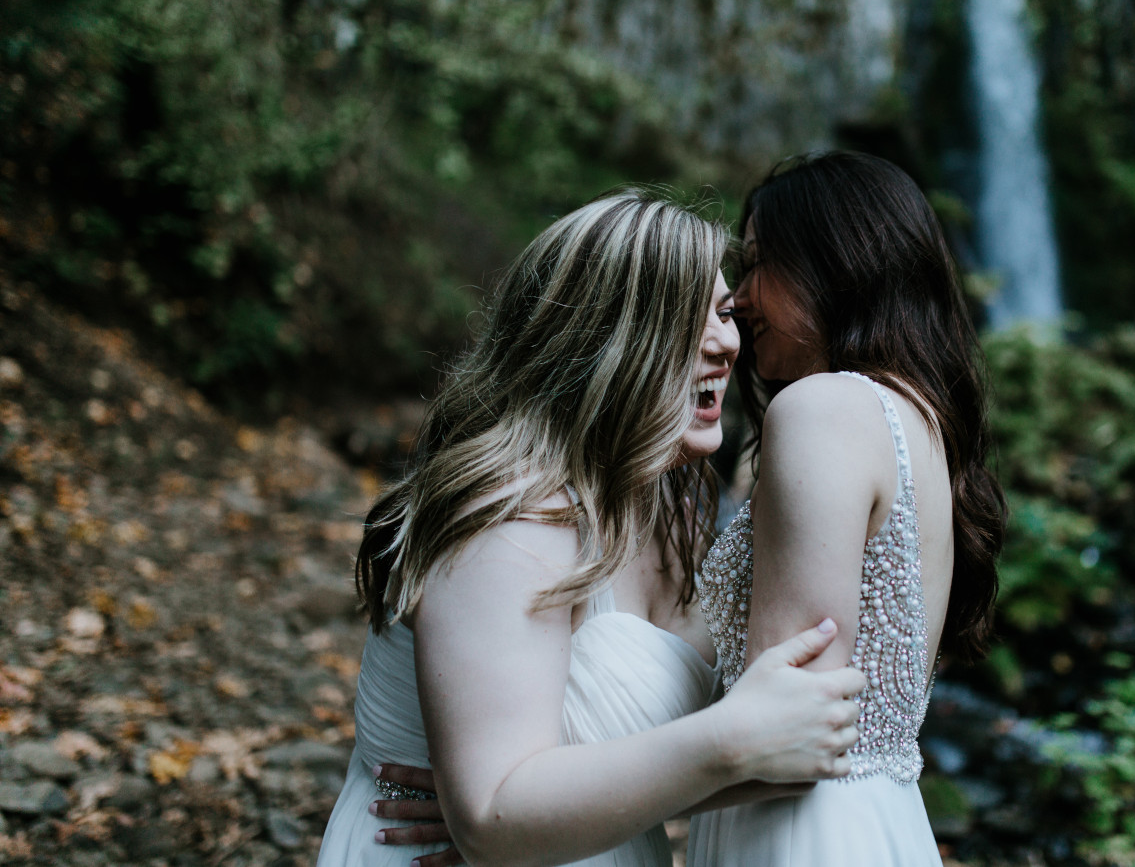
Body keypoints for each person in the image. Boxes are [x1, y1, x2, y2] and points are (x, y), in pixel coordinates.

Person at [316, 189, 866, 867]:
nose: (728, 341)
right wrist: (499, 816)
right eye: (684, 318)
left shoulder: (670, 506)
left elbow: (749, 747)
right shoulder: (513, 515)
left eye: (724, 313)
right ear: (605, 339)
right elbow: (493, 817)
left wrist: (542, 816)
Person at [686, 150, 1005, 865]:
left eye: (760, 262)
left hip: (800, 834)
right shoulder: (916, 419)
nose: (737, 297)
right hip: (876, 823)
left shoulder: (823, 410)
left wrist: (549, 804)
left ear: (839, 261)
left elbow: (785, 738)